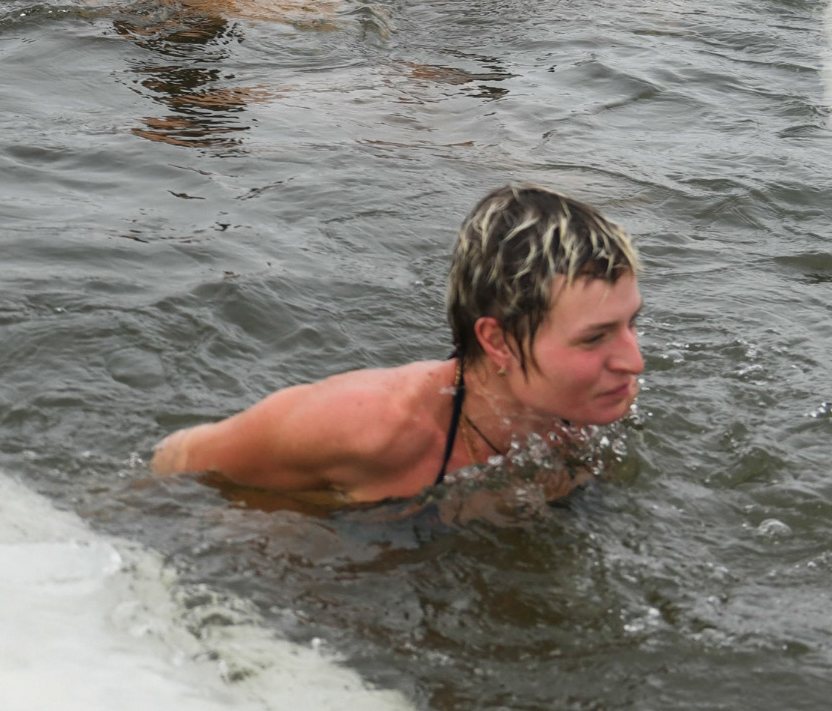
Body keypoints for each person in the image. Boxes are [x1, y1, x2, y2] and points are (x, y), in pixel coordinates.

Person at [151, 185, 644, 508]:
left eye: (631, 324)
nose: (632, 361)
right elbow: (174, 465)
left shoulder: (588, 407)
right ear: (496, 341)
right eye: (595, 337)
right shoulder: (367, 427)